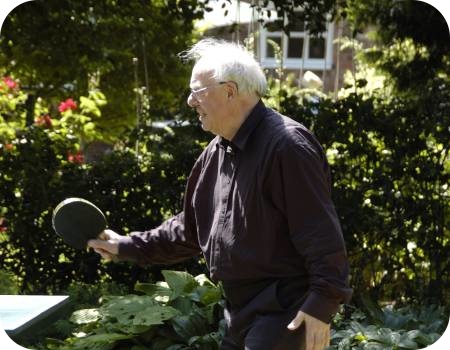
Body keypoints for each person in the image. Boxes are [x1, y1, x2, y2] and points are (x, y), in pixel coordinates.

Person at [88, 38, 352, 350]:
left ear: (230, 91)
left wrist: (321, 305)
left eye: (196, 91)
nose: (189, 101)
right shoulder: (216, 152)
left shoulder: (287, 146)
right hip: (239, 313)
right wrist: (126, 245)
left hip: (285, 310)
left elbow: (320, 233)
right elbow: (191, 229)